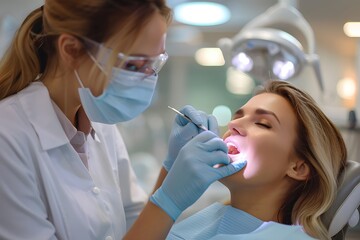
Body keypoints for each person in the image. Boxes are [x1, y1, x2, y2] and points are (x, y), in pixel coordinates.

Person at [0, 1, 244, 239]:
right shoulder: (8, 137)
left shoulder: (101, 124)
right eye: (133, 64)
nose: (148, 79)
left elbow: (138, 224)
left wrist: (169, 171)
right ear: (71, 50)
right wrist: (169, 198)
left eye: (154, 64)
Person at [166, 81, 347, 240]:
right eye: (238, 117)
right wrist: (168, 171)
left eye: (262, 123)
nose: (232, 125)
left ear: (298, 167)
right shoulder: (209, 218)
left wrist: (167, 201)